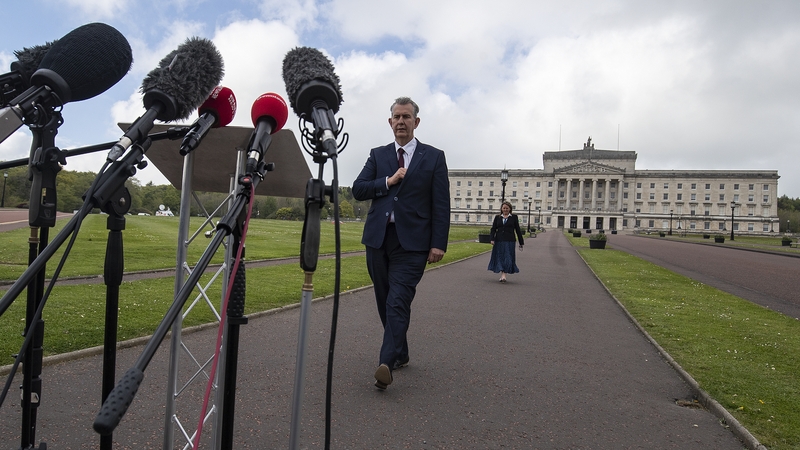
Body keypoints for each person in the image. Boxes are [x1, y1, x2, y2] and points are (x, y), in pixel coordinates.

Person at [352, 96, 450, 390]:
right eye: (397, 117)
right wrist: (388, 181)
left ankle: (386, 363)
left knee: (398, 301)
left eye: (407, 117)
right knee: (385, 300)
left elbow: (441, 204)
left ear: (416, 122)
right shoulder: (378, 155)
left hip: (413, 243)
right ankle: (401, 351)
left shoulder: (433, 157)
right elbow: (358, 189)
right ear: (390, 121)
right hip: (378, 240)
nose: (401, 122)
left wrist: (438, 243)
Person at [488, 201, 524, 282]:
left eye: (507, 208)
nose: (505, 210)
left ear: (510, 209)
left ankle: (504, 275)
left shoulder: (514, 217)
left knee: (507, 257)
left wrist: (521, 242)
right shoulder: (497, 217)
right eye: (504, 208)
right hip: (499, 240)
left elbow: (517, 230)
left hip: (509, 240)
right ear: (501, 209)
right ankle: (502, 274)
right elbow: (493, 229)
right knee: (500, 257)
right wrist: (492, 239)